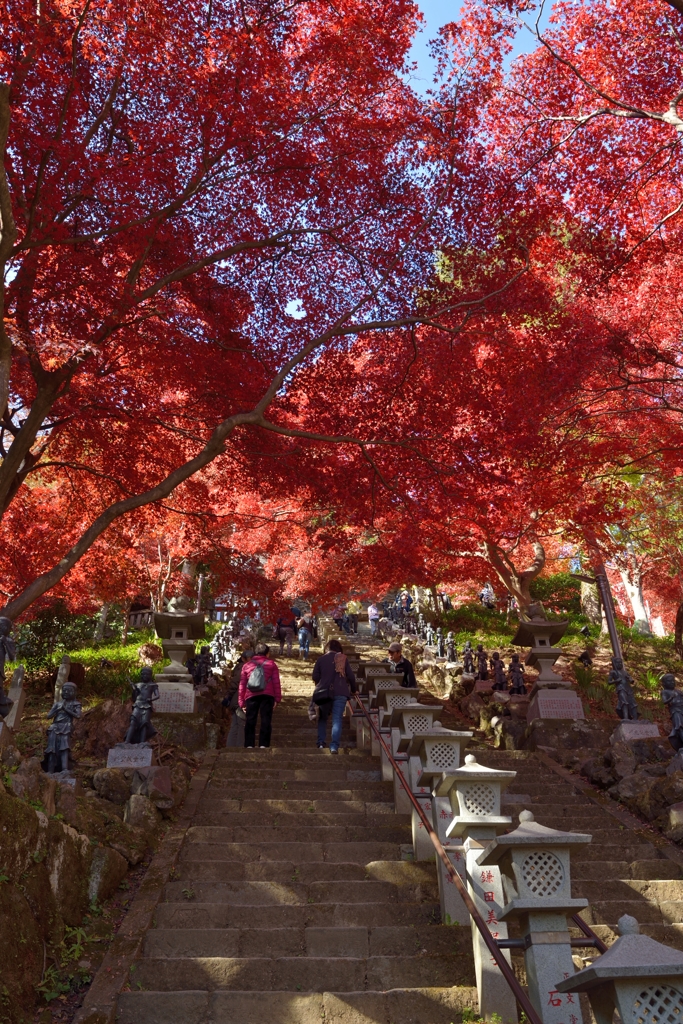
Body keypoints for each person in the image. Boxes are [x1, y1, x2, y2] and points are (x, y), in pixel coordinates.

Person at [312, 639, 357, 752]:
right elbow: (351, 677)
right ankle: (334, 746)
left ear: (326, 648)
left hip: (324, 692)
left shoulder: (321, 659)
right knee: (337, 719)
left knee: (322, 718)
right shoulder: (342, 659)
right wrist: (354, 690)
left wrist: (321, 684)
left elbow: (315, 677)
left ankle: (321, 743)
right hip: (341, 692)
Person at [238, 643, 282, 747]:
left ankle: (249, 745)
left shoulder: (247, 665)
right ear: (267, 654)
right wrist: (277, 698)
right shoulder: (272, 664)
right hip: (268, 695)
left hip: (251, 695)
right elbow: (276, 682)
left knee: (250, 720)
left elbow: (242, 684)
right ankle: (264, 745)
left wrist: (241, 701)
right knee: (266, 719)